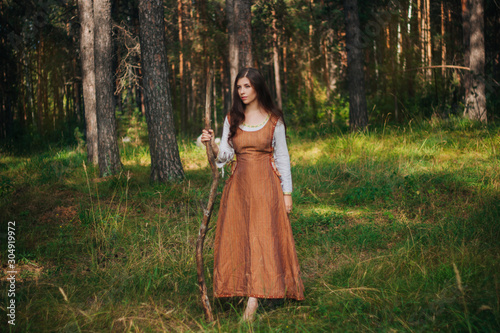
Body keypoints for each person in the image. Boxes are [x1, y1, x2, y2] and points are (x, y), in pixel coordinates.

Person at [200, 67, 304, 322]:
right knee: (240, 236)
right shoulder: (232, 119)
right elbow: (224, 156)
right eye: (239, 87)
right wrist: (211, 143)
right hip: (238, 187)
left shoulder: (273, 119)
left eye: (247, 86)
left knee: (263, 237)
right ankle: (242, 287)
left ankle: (254, 299)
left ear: (258, 87)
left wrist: (287, 193)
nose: (242, 91)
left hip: (267, 187)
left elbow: (282, 157)